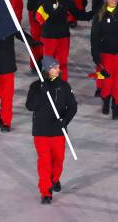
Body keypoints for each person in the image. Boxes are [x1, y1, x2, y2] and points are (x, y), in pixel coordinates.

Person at [26, 56, 77, 204]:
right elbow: (30, 106)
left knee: (58, 160)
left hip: (58, 131)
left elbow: (72, 107)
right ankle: (45, 191)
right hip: (41, 131)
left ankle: (54, 179)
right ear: (47, 70)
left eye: (58, 67)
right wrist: (42, 92)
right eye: (54, 67)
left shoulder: (64, 86)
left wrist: (65, 120)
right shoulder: (36, 86)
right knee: (44, 162)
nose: (58, 69)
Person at [35, 0, 93, 81]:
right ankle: (48, 88)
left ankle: (63, 86)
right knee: (49, 64)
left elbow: (78, 14)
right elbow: (38, 18)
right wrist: (50, 16)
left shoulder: (67, 0)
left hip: (63, 37)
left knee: (62, 63)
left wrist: (93, 14)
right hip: (49, 38)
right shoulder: (45, 0)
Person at [90, 0, 118, 120]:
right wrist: (95, 54)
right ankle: (106, 99)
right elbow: (95, 36)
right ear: (105, 0)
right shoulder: (100, 15)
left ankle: (116, 107)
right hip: (106, 53)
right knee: (107, 81)